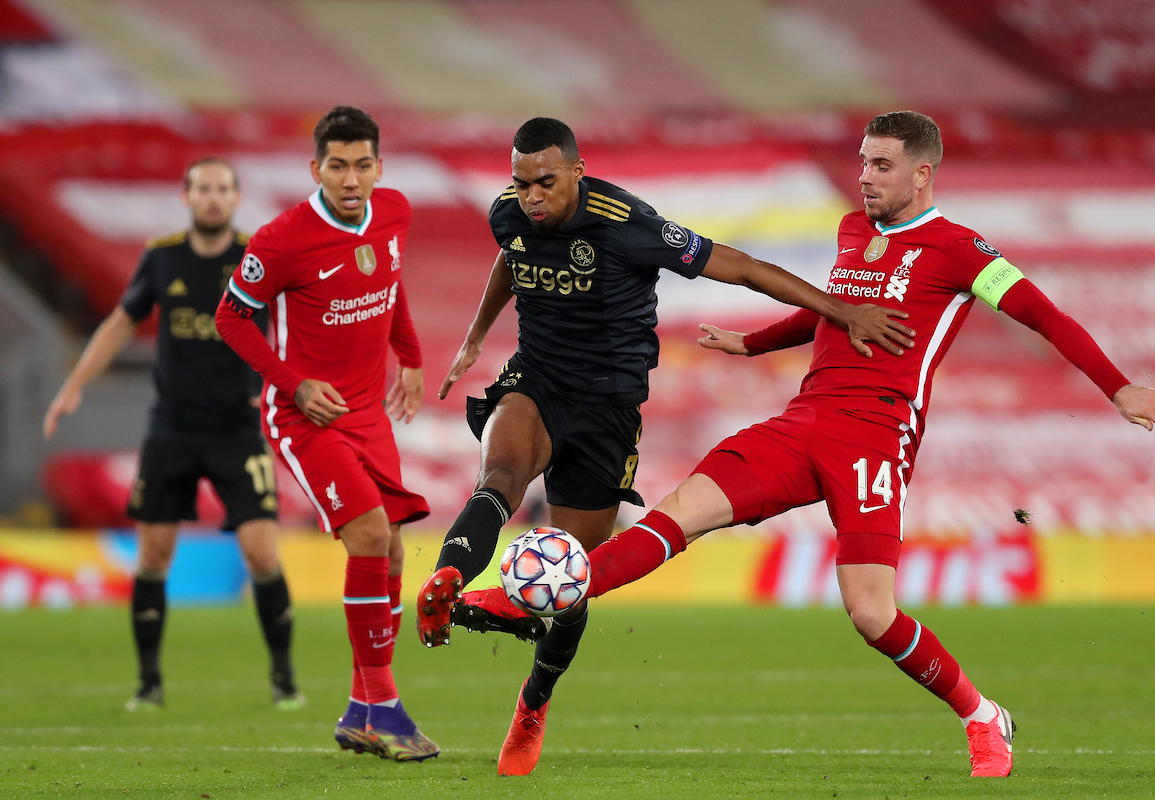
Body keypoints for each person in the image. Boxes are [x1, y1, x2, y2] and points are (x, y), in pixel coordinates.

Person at [551, 110, 1155, 778]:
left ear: (922, 173)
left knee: (871, 612)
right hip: (805, 417)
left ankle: (981, 715)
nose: (864, 178)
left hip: (877, 433)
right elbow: (830, 305)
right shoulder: (853, 229)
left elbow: (1044, 315)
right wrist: (754, 342)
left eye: (880, 166)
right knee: (680, 510)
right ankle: (538, 595)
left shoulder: (962, 250)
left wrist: (1117, 388)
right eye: (861, 162)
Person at [418, 117, 916, 776]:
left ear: (576, 171)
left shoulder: (626, 223)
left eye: (545, 182)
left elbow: (739, 266)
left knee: (572, 580)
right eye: (521, 183)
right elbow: (510, 257)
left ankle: (533, 703)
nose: (531, 196)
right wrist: (478, 335)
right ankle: (448, 579)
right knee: (500, 476)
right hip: (537, 383)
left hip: (608, 414)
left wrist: (840, 310)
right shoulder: (509, 214)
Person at [214, 106, 437, 762]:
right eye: (337, 165)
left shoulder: (395, 213)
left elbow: (391, 289)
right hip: (306, 417)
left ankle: (360, 711)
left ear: (378, 169)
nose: (350, 178)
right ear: (316, 169)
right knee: (368, 535)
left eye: (362, 164)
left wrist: (414, 358)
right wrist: (293, 384)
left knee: (392, 551)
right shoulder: (282, 239)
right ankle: (387, 709)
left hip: (370, 410)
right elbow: (231, 318)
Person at [43, 158, 304, 712]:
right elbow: (119, 322)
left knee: (261, 552)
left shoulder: (254, 258)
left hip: (238, 426)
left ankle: (284, 678)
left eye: (223, 189)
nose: (213, 198)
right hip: (173, 428)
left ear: (236, 198)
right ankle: (148, 682)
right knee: (154, 554)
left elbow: (295, 321)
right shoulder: (162, 257)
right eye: (203, 188)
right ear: (187, 197)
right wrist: (73, 386)